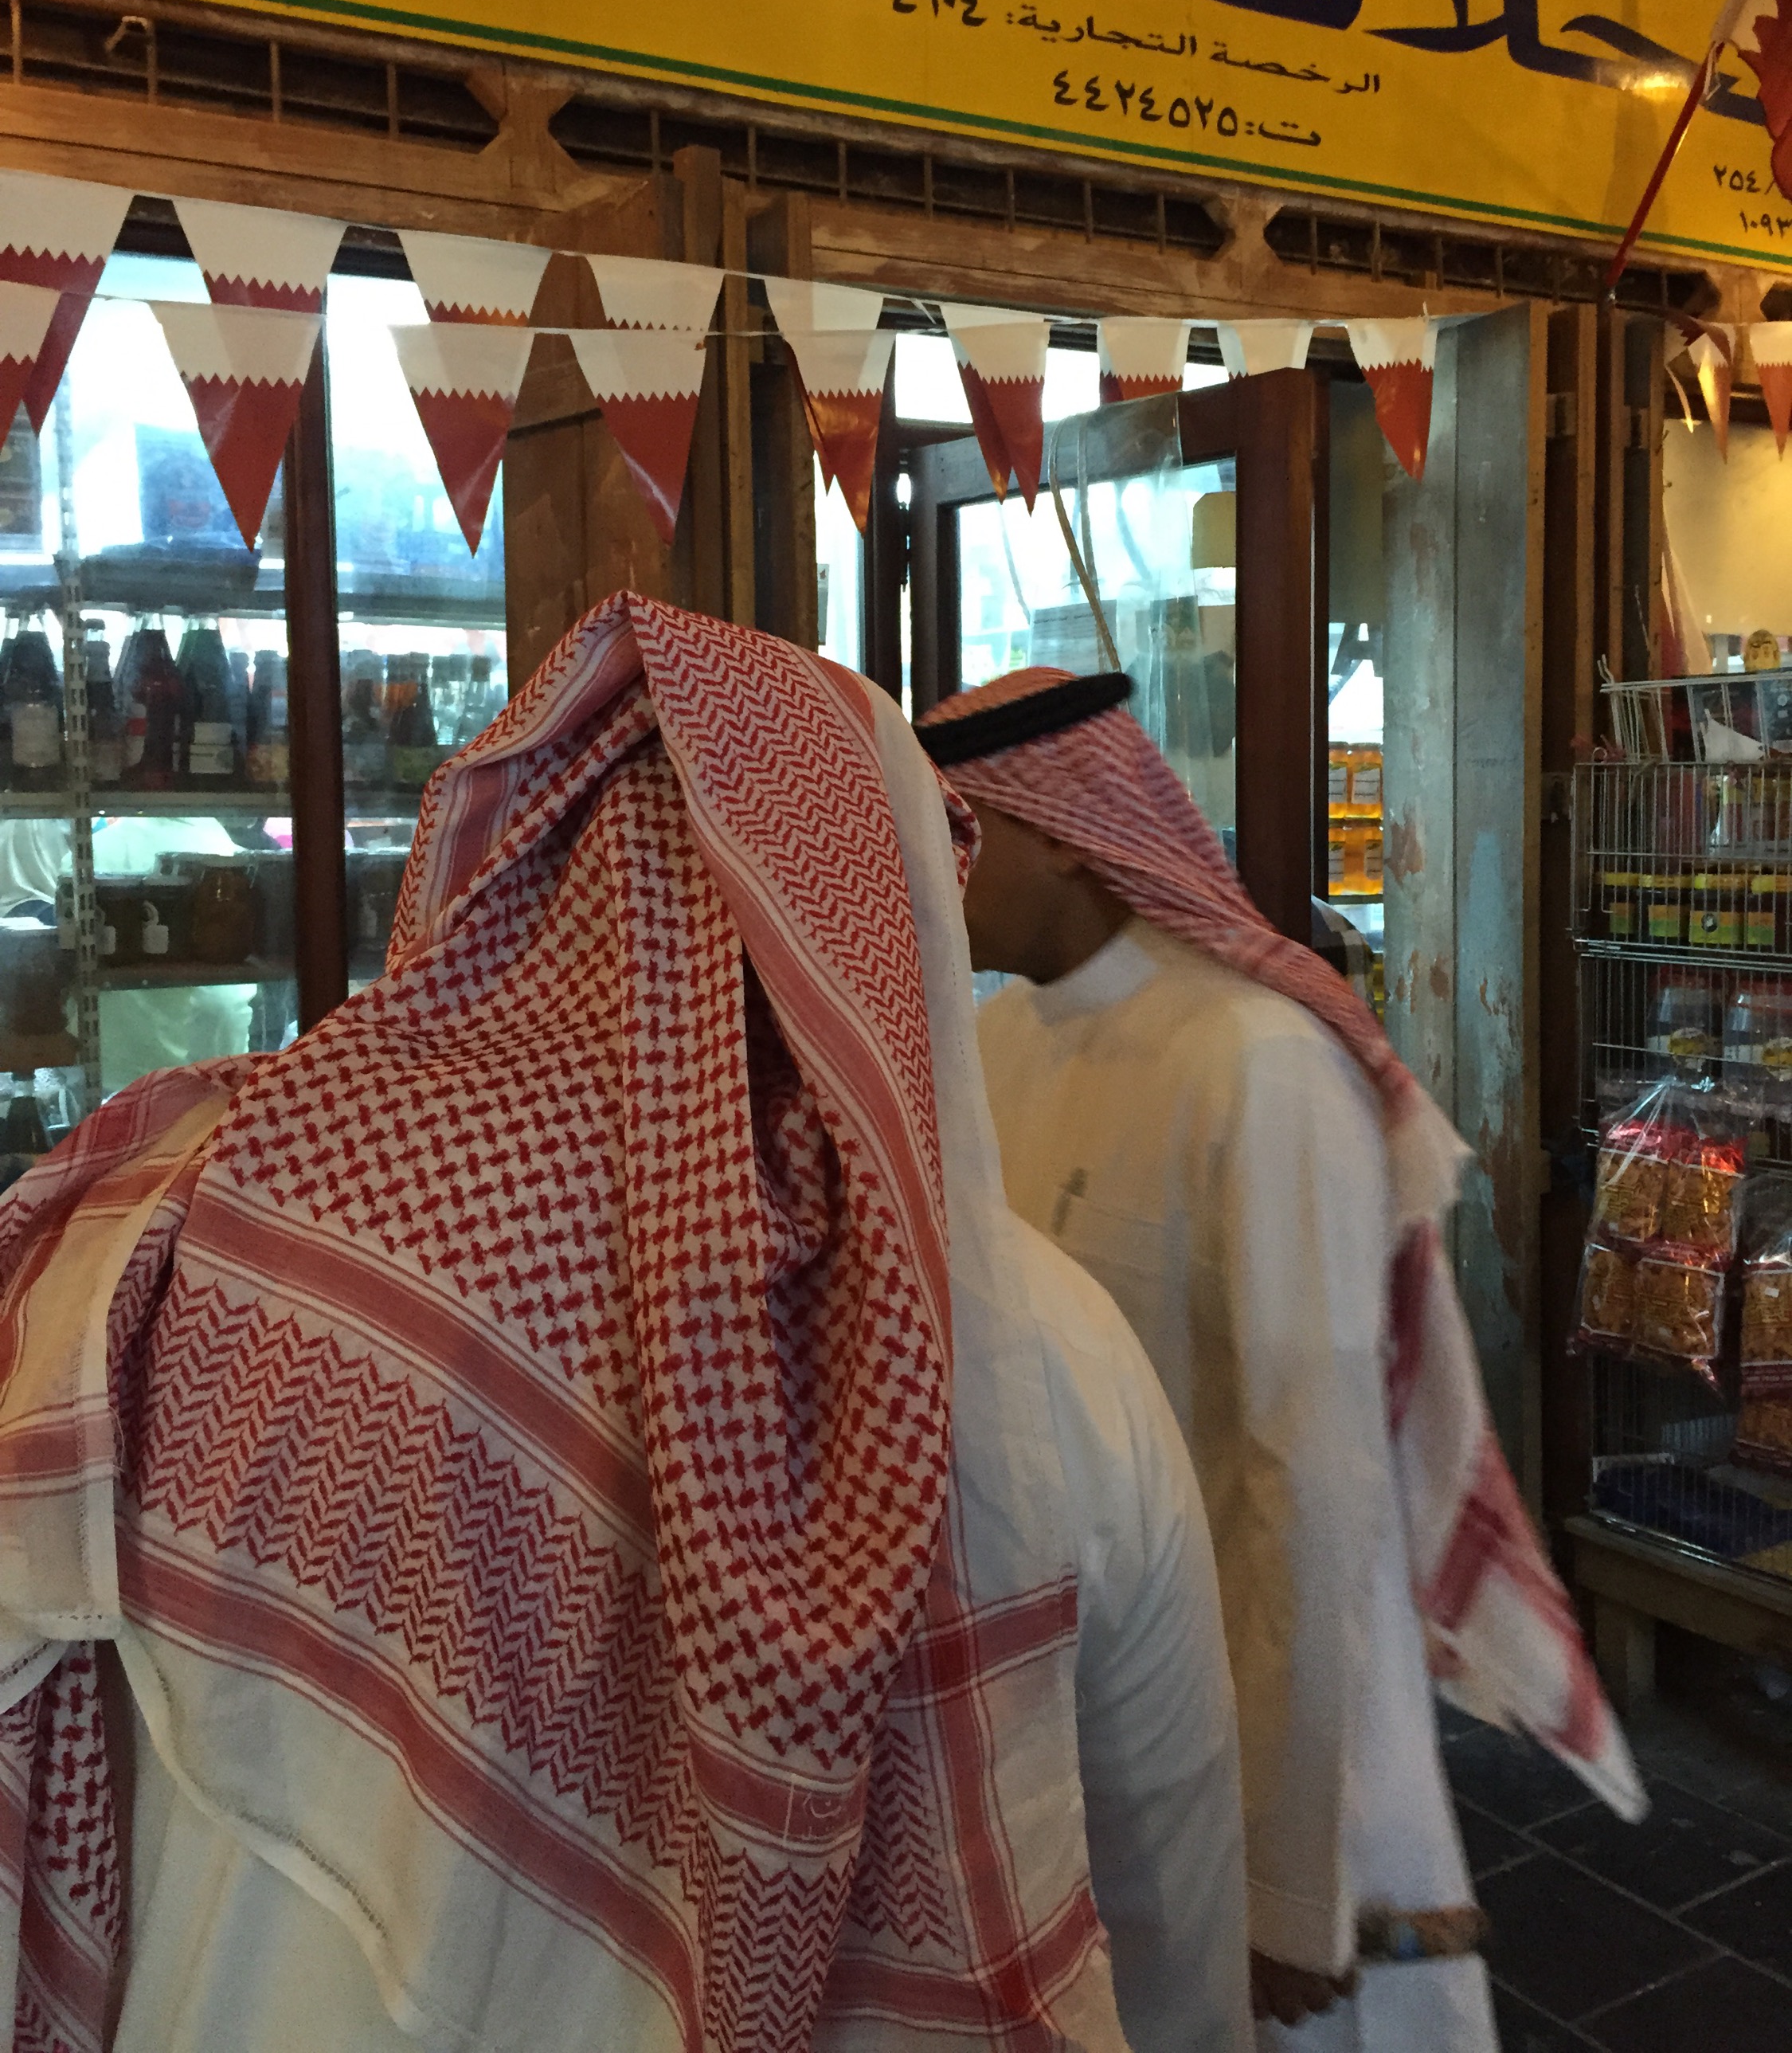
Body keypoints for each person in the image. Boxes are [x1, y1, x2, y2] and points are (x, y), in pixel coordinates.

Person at [0, 598, 1250, 2053]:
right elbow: (1165, 1896)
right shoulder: (1038, 1353)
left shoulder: (198, 1222)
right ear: (881, 911)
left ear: (511, 867)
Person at [916, 667, 1644, 2053]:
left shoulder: (1258, 1061)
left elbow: (1307, 1488)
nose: (929, 871)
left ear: (1063, 828)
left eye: (960, 831)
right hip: (1077, 1697)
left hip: (1278, 1733)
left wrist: (1288, 1879)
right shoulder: (990, 1044)